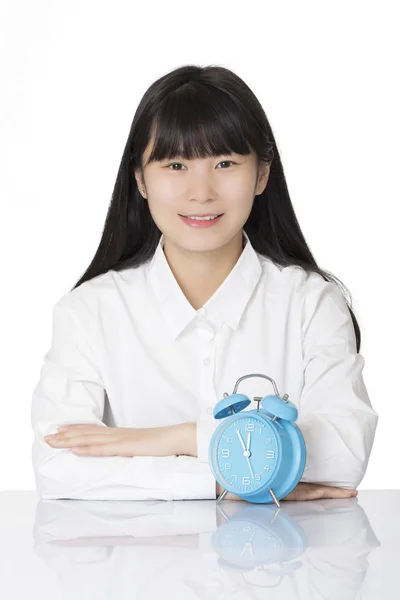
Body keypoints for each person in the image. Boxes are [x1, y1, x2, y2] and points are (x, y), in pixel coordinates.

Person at [30, 64, 378, 502]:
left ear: (262, 175)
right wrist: (222, 481)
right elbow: (58, 468)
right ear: (140, 178)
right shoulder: (88, 311)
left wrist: (173, 440)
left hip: (281, 567)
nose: (201, 192)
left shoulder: (311, 303)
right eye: (176, 164)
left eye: (225, 163)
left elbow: (344, 455)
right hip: (135, 570)